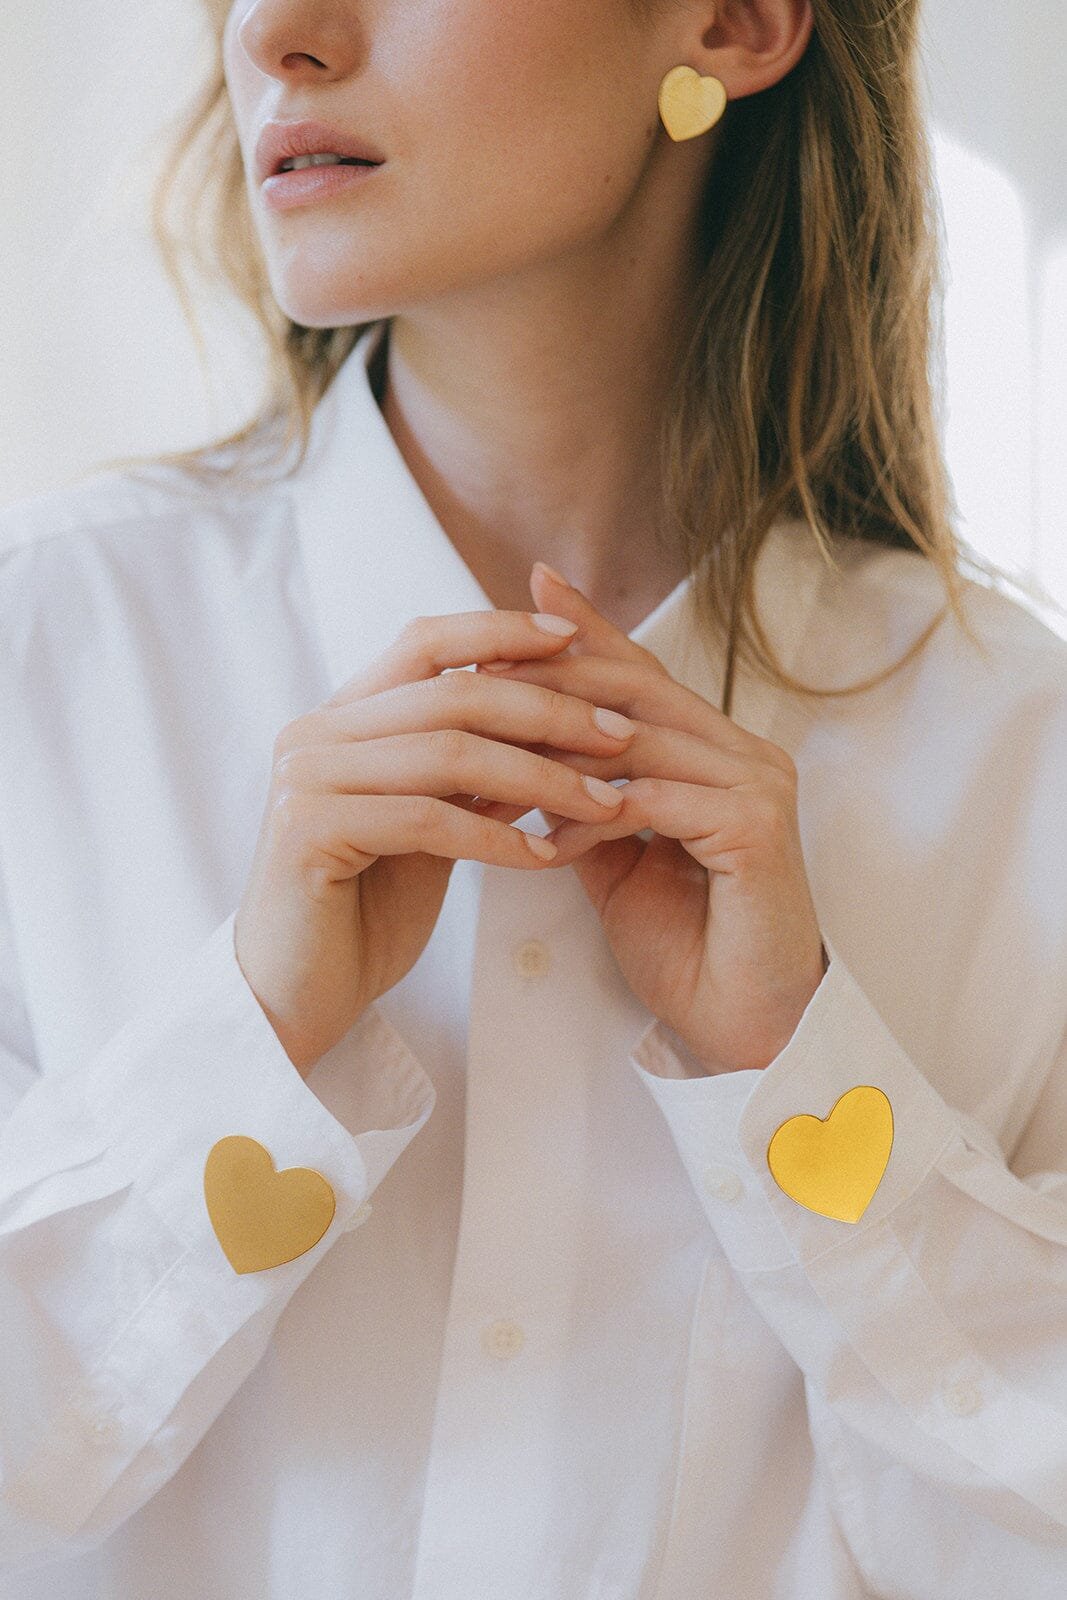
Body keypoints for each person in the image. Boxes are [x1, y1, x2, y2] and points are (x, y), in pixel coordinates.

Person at [1, 0, 1065, 1594]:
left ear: (735, 23)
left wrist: (806, 1078)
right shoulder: (42, 659)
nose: (274, 33)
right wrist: (245, 1045)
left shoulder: (1024, 755)